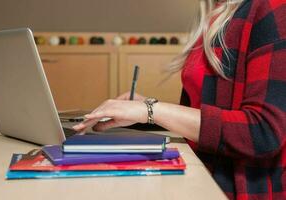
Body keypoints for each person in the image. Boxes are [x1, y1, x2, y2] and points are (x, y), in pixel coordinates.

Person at [73, 0, 286, 199]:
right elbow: (203, 116)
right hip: (199, 173)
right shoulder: (216, 10)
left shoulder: (273, 8)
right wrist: (146, 109)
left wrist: (153, 110)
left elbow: (263, 133)